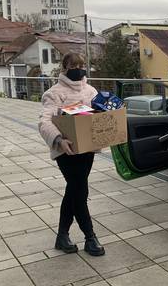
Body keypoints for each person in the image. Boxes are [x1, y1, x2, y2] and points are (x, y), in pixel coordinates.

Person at [38, 52, 105, 257]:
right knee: (80, 192)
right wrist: (58, 139)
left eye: (81, 64)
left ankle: (62, 236)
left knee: (73, 192)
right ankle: (90, 237)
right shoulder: (54, 93)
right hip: (66, 151)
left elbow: (99, 113)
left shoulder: (91, 90)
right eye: (74, 65)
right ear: (65, 68)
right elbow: (44, 121)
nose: (79, 68)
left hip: (87, 149)